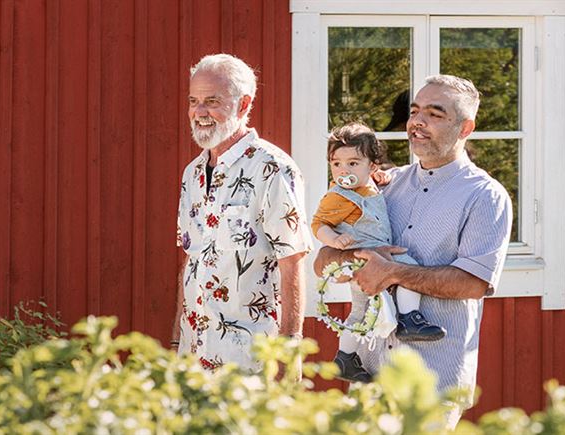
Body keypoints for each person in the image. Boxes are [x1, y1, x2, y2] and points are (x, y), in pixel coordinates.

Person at [313, 75, 513, 401]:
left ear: (465, 128)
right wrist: (353, 257)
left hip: (431, 382)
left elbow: (474, 283)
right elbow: (323, 261)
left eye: (434, 114)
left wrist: (391, 271)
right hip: (369, 373)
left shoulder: (485, 195)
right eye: (415, 111)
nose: (418, 122)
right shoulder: (381, 186)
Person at [172, 54, 311, 371]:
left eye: (212, 101)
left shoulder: (272, 167)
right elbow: (190, 259)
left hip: (251, 358)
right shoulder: (191, 174)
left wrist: (290, 352)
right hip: (193, 354)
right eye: (193, 101)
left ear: (244, 105)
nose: (199, 112)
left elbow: (292, 259)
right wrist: (176, 341)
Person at [310, 122, 447, 384]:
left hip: (376, 254)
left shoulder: (368, 183)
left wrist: (379, 177)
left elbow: (371, 183)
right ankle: (409, 318)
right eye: (336, 164)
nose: (343, 171)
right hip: (364, 258)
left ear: (371, 166)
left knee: (360, 311)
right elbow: (318, 224)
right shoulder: (339, 197)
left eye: (353, 163)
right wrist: (335, 239)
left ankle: (345, 358)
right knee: (409, 271)